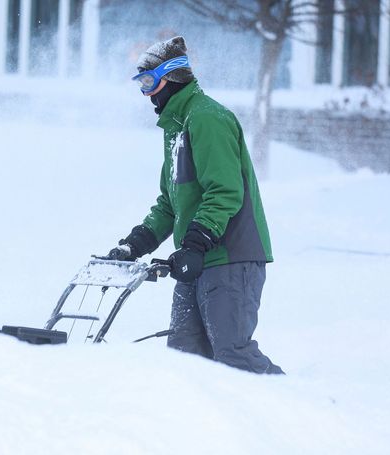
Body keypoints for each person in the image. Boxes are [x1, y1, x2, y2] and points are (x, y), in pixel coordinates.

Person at [109, 36, 284, 375]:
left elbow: (224, 191)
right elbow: (170, 203)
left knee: (232, 355)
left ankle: (296, 408)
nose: (146, 94)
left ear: (170, 78)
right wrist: (134, 244)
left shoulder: (206, 118)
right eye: (140, 84)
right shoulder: (176, 128)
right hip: (198, 258)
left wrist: (195, 243)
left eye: (148, 82)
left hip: (230, 257)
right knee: (184, 360)